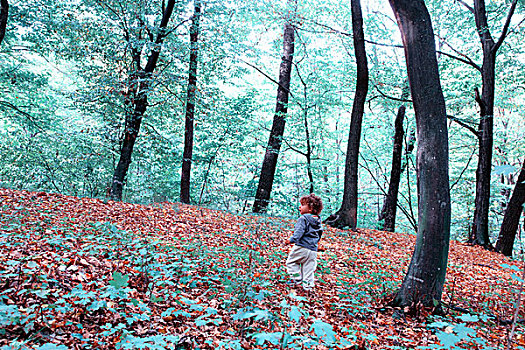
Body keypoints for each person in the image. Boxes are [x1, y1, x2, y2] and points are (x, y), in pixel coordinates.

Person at [285, 193, 323, 291]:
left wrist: (291, 240)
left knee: (291, 262)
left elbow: (299, 232)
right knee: (309, 269)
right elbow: (319, 234)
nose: (299, 207)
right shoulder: (318, 220)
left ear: (310, 208)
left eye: (302, 205)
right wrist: (315, 243)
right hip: (313, 250)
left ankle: (296, 279)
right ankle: (308, 288)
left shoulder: (303, 219)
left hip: (301, 247)